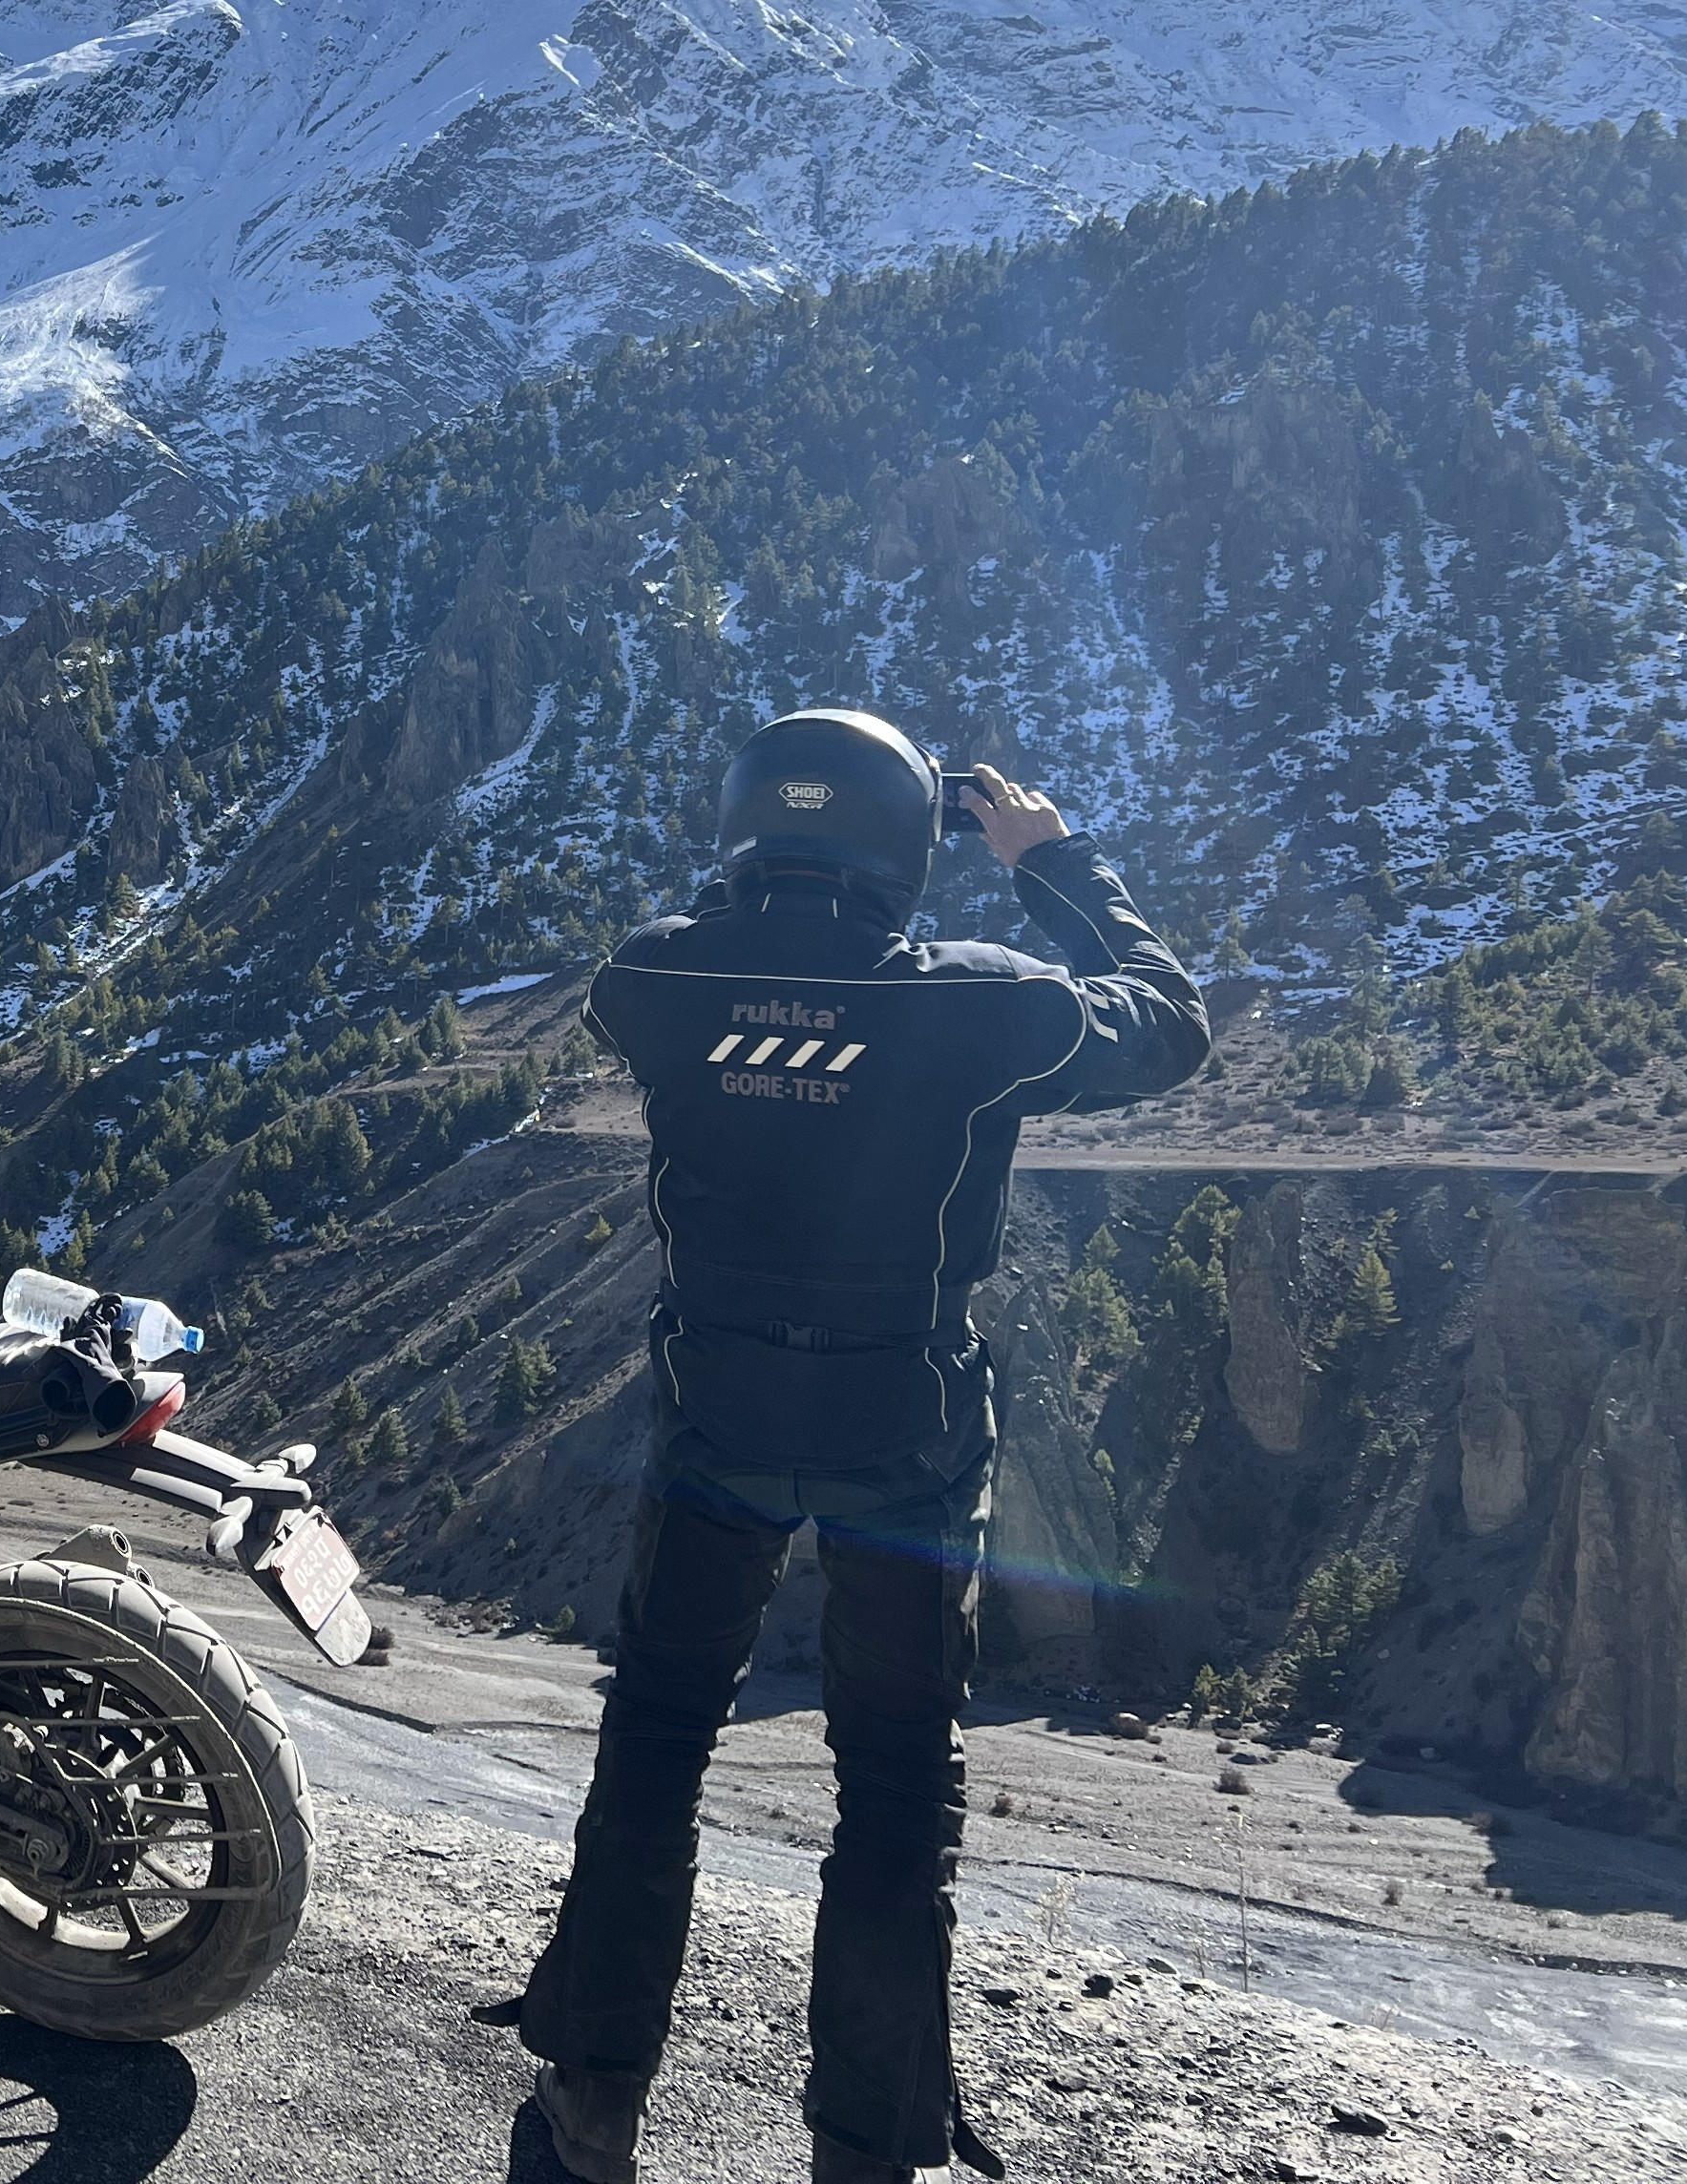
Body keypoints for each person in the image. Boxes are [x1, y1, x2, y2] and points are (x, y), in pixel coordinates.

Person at [494, 710, 1209, 2184]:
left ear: (743, 829)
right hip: (901, 1430)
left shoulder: (656, 980)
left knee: (655, 1744)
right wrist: (1048, 857)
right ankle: (869, 2145)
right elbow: (1165, 1018)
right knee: (891, 1786)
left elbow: (685, 945)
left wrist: (784, 874)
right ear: (902, 851)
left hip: (715, 1422)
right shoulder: (983, 1007)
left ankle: (593, 2095)